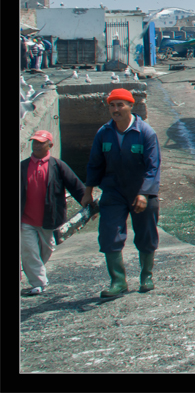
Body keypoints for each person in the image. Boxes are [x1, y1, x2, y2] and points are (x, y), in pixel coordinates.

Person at [84, 88, 161, 296]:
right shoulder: (104, 133)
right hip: (113, 191)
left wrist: (144, 193)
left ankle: (146, 277)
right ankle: (118, 282)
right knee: (109, 234)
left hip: (141, 190)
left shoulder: (145, 132)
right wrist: (88, 191)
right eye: (112, 105)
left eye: (120, 105)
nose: (115, 109)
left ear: (130, 106)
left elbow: (153, 167)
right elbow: (94, 164)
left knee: (146, 234)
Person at [20, 130, 87, 295]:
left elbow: (76, 187)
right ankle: (38, 283)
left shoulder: (58, 165)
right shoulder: (22, 166)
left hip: (49, 219)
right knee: (29, 251)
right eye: (34, 142)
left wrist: (89, 208)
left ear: (50, 145)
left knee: (47, 249)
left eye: (40, 142)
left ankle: (33, 271)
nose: (36, 145)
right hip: (26, 220)